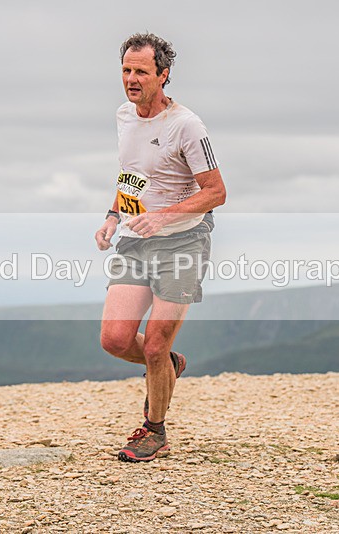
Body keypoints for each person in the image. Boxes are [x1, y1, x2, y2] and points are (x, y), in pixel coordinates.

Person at [94, 32, 227, 462]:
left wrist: (164, 216)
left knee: (153, 345)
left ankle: (154, 429)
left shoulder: (187, 126)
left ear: (163, 75)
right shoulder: (124, 116)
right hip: (136, 241)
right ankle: (168, 367)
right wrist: (114, 217)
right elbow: (132, 174)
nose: (131, 80)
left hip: (183, 242)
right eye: (126, 70)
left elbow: (216, 192)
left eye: (141, 72)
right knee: (115, 339)